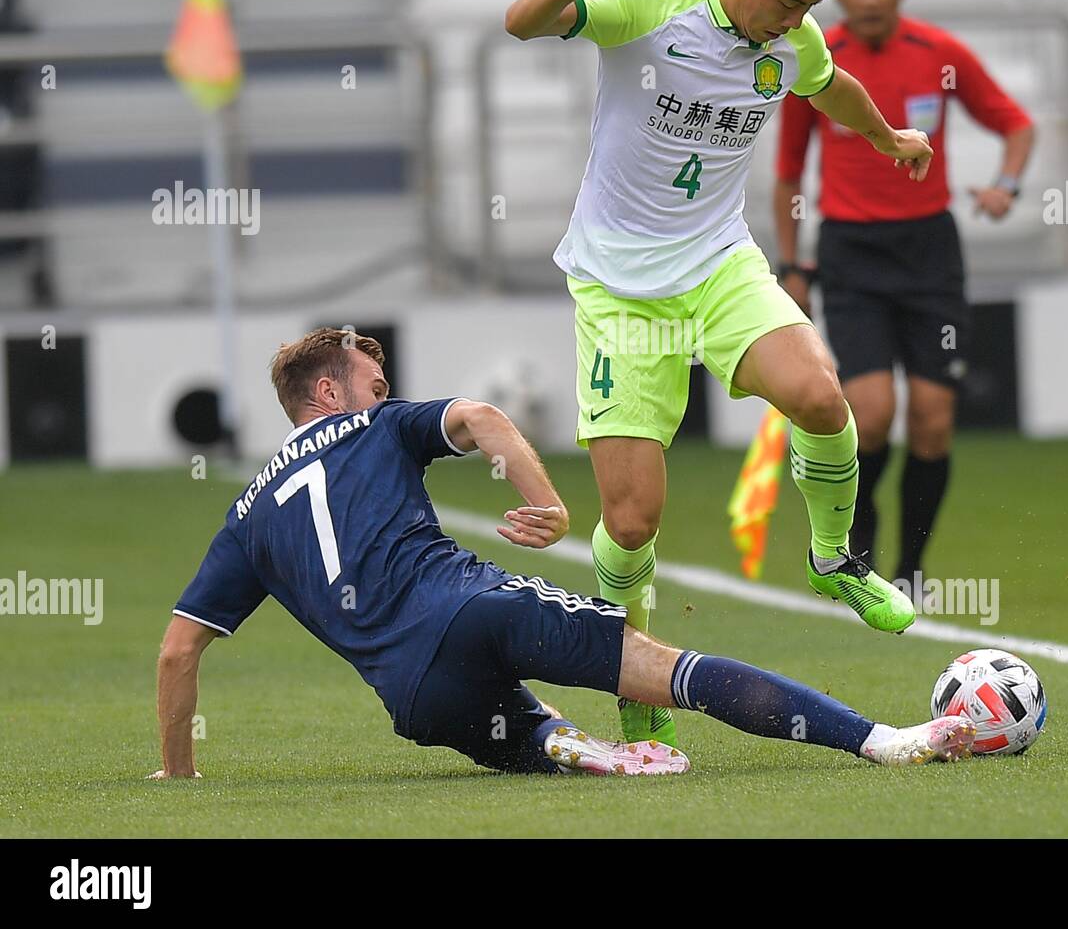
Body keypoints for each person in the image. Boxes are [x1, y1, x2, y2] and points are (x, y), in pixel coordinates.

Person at [502, 0, 932, 748]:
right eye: (783, 2)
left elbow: (829, 83)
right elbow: (520, 21)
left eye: (805, 6)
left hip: (719, 266)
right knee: (630, 522)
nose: (791, 20)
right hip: (621, 288)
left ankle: (834, 559)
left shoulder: (792, 33)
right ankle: (631, 662)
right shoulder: (649, 4)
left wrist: (887, 137)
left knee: (820, 395)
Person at [151, 328, 977, 779]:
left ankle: (561, 742)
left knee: (508, 727)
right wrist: (542, 497)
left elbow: (178, 651)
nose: (383, 391)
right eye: (371, 380)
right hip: (474, 607)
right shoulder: (374, 423)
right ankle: (879, 740)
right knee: (670, 667)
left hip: (413, 697)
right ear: (328, 394)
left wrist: (178, 776)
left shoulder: (247, 515)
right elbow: (478, 416)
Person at [775, 0, 1035, 591]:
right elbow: (788, 172)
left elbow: (1016, 123)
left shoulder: (940, 54)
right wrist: (791, 264)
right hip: (851, 253)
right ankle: (856, 535)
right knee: (873, 411)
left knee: (933, 418)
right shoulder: (816, 55)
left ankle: (912, 565)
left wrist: (1006, 186)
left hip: (929, 250)